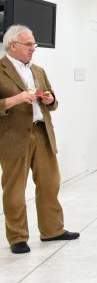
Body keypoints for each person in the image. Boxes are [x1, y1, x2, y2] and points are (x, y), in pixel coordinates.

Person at [0, 25, 79, 254]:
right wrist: (15, 99)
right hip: (12, 138)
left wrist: (49, 99)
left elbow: (54, 101)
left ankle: (52, 230)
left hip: (42, 132)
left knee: (50, 183)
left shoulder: (39, 71)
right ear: (12, 45)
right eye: (29, 44)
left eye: (34, 44)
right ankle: (17, 237)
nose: (33, 48)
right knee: (15, 191)